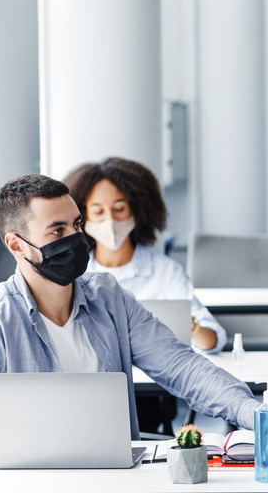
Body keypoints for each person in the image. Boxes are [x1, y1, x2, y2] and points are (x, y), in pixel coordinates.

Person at [0, 174, 268, 451]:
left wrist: (260, 417)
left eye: (75, 226)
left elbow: (181, 366)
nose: (74, 239)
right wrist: (28, 427)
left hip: (115, 472)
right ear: (16, 245)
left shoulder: (107, 296)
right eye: (56, 231)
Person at [63, 157, 227, 435]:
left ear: (138, 210)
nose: (110, 221)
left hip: (149, 396)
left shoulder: (164, 271)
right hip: (86, 392)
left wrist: (195, 327)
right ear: (81, 217)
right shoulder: (71, 272)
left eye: (119, 209)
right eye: (98, 211)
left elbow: (212, 339)